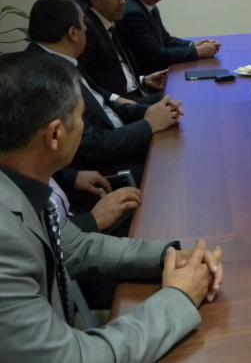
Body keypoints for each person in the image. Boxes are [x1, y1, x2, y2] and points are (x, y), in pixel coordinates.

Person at [0, 51, 223, 362]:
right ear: (55, 134)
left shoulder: (23, 183)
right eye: (81, 116)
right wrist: (179, 298)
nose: (84, 126)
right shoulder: (5, 240)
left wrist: (169, 255)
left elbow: (76, 246)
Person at [26, 0, 182, 185]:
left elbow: (104, 104)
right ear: (73, 33)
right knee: (176, 165)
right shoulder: (47, 78)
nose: (87, 29)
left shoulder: (58, 58)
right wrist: (149, 124)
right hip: (103, 166)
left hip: (116, 135)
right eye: (83, 23)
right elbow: (93, 147)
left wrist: (155, 111)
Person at [116, 0, 221, 74]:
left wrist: (193, 45)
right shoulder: (133, 13)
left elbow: (166, 40)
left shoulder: (148, 5)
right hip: (148, 77)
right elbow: (156, 56)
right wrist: (198, 51)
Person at [80, 0, 167, 101]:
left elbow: (116, 73)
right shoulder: (87, 31)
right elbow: (88, 83)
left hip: (136, 93)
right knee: (180, 96)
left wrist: (143, 80)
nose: (122, 2)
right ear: (95, 0)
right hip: (121, 103)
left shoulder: (109, 23)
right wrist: (117, 100)